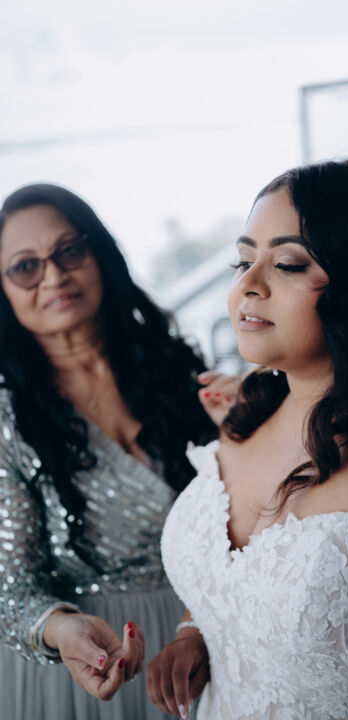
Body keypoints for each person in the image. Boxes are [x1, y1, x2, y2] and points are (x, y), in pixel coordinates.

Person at [148, 159, 348, 720]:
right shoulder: (252, 408)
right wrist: (196, 633)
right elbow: (238, 583)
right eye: (243, 260)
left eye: (286, 264)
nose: (248, 285)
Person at [0, 182, 236, 720]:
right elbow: (9, 589)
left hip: (207, 639)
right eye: (25, 267)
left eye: (68, 251)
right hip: (85, 665)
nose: (54, 276)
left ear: (99, 254)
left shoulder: (176, 372)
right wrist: (61, 629)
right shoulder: (8, 419)